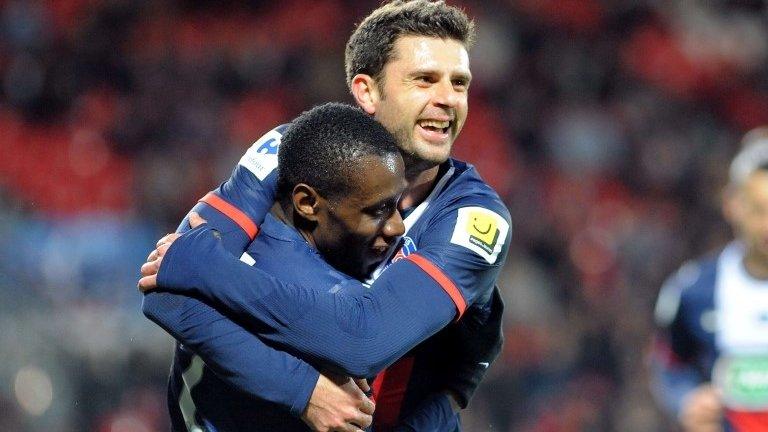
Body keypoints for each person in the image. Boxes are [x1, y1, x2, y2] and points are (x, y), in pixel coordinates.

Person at [141, 1, 508, 431]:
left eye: (459, 83)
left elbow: (364, 339)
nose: (447, 99)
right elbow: (165, 293)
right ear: (367, 91)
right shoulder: (294, 150)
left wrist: (205, 268)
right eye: (424, 80)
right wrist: (303, 390)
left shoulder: (472, 217)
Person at [652, 127, 768, 431]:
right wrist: (687, 400)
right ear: (733, 205)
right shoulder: (693, 290)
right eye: (759, 210)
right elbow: (668, 364)